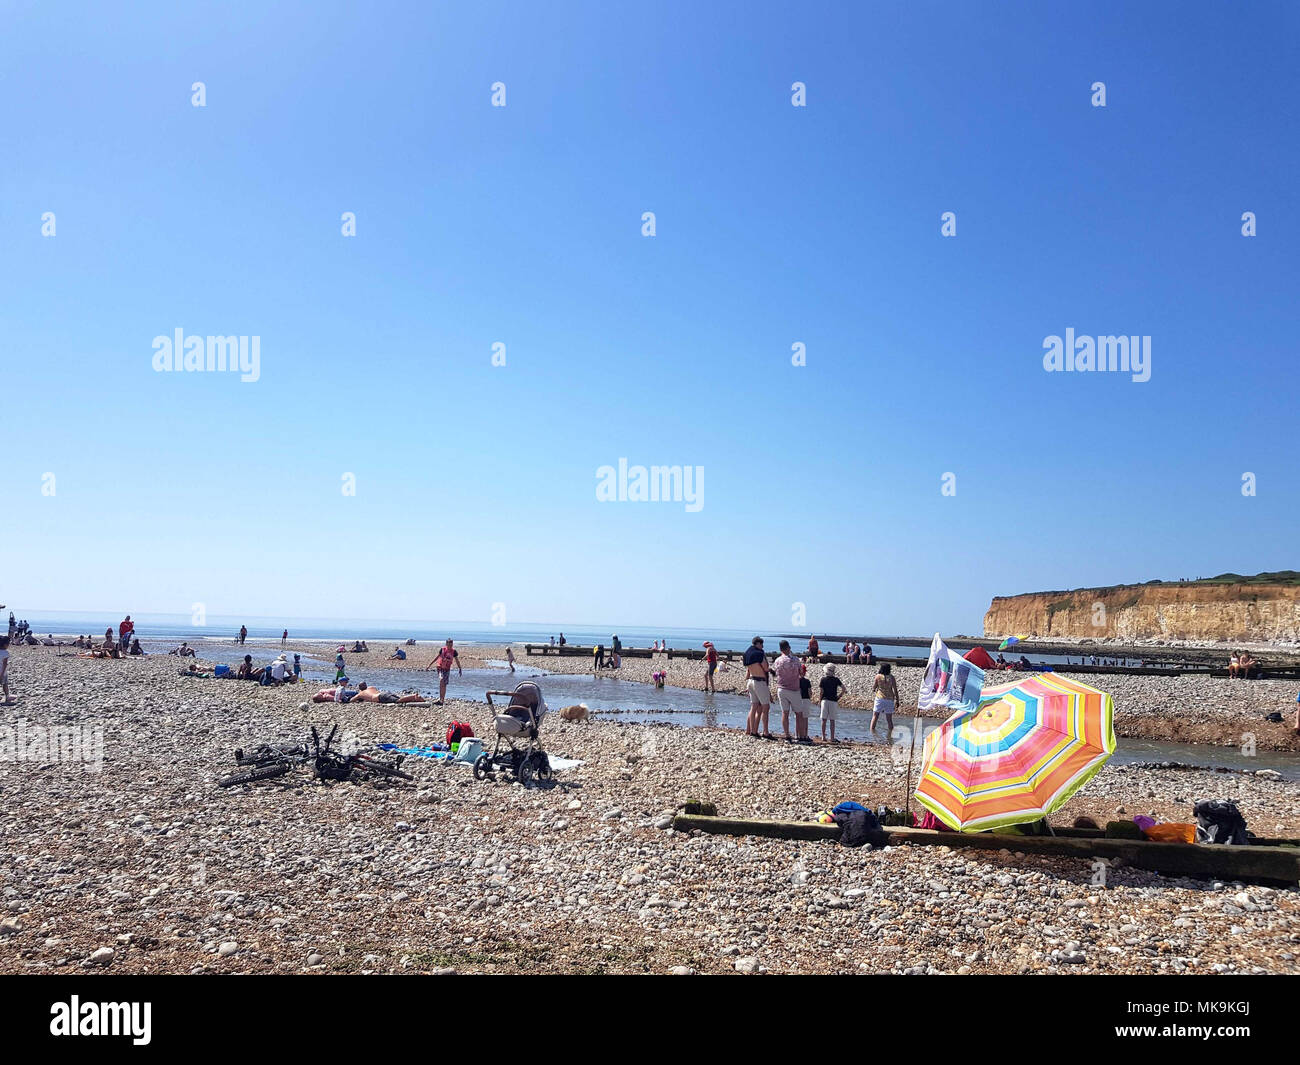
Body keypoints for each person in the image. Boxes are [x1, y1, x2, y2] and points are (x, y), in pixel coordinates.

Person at [772, 640, 807, 742]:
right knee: (799, 714)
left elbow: (776, 673)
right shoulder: (795, 660)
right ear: (789, 648)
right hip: (793, 689)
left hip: (781, 688)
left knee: (785, 713)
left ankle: (787, 735)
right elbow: (801, 674)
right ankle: (801, 736)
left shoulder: (777, 660)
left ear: (780, 649)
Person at [743, 637, 773, 738]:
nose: (763, 646)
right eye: (761, 644)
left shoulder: (747, 652)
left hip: (751, 680)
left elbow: (747, 670)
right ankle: (765, 732)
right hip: (759, 681)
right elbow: (765, 667)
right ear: (758, 644)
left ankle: (752, 730)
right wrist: (772, 670)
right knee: (766, 707)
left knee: (754, 706)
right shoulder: (759, 654)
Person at [425, 639, 461, 705]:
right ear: (446, 644)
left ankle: (442, 700)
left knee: (444, 684)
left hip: (447, 669)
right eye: (449, 644)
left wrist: (460, 668)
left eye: (451, 644)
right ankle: (440, 699)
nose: (450, 646)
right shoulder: (442, 650)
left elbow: (457, 660)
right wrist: (429, 665)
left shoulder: (454, 651)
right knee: (441, 680)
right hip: (440, 667)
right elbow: (437, 657)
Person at [870, 663, 899, 740]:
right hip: (889, 699)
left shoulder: (878, 676)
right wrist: (897, 700)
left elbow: (874, 687)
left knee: (875, 716)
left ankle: (872, 734)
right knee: (889, 719)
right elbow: (895, 690)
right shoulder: (892, 677)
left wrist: (875, 689)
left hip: (880, 698)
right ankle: (890, 737)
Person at [819, 664, 846, 743]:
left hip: (825, 700)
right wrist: (839, 696)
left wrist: (819, 700)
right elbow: (844, 689)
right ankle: (832, 737)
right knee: (832, 720)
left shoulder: (823, 679)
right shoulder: (836, 679)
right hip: (833, 701)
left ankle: (823, 737)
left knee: (823, 719)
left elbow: (821, 692)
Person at [0, 635, 12, 705]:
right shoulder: (5, 653)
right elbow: (4, 664)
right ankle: (7, 696)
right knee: (5, 684)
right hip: (2, 672)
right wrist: (2, 674)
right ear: (5, 645)